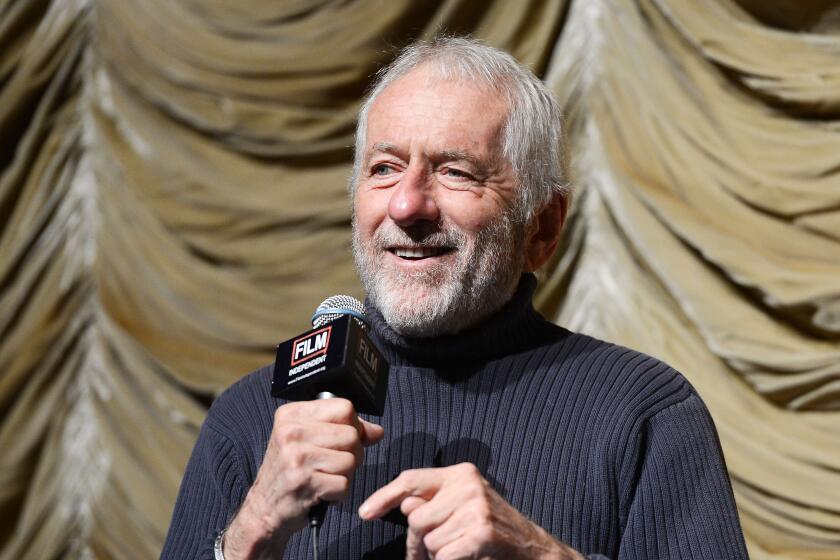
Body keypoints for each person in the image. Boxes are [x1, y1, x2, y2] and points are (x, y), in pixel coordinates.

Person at [162, 37, 749, 559]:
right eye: (385, 168)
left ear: (541, 228)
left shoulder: (643, 412)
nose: (406, 205)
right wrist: (252, 530)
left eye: (456, 172)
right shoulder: (254, 419)